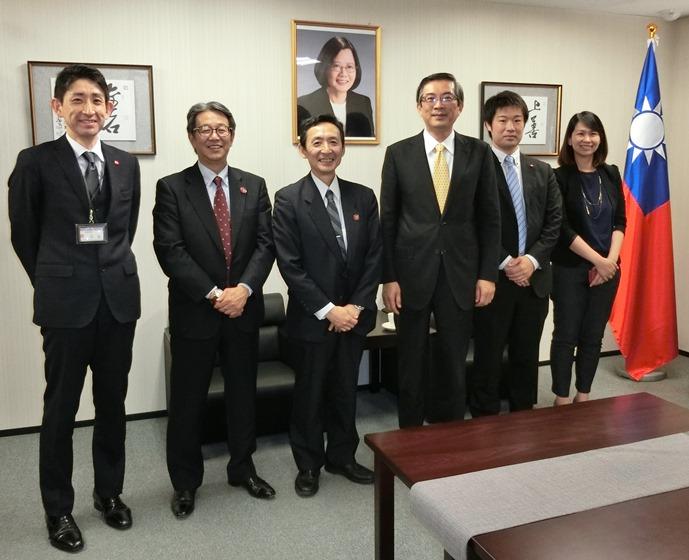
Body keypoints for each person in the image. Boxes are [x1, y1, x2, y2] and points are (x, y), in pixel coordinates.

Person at [8, 64, 141, 552]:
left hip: (118, 303)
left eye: (97, 100)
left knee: (112, 405)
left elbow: (124, 229)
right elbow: (24, 235)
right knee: (60, 408)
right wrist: (56, 279)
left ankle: (109, 494)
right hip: (65, 305)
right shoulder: (36, 161)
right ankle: (58, 509)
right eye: (78, 99)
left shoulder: (125, 163)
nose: (89, 109)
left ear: (109, 108)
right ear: (57, 107)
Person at [152, 102, 276, 518]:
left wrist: (243, 290)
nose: (214, 136)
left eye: (221, 128)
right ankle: (185, 483)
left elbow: (265, 245)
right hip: (195, 312)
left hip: (243, 310)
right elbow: (170, 250)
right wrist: (213, 294)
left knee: (243, 395)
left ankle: (243, 468)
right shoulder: (172, 188)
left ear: (232, 135)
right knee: (187, 401)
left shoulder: (253, 186)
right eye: (204, 129)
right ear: (191, 137)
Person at [380, 72, 501, 428]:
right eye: (430, 98)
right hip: (410, 276)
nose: (438, 104)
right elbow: (388, 220)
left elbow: (490, 218)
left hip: (460, 275)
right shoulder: (398, 154)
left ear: (459, 107)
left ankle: (450, 438)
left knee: (453, 361)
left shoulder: (479, 153)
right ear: (419, 107)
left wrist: (487, 275)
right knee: (410, 362)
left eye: (447, 97)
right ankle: (410, 437)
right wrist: (389, 278)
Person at [273, 114, 382, 497]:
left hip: (354, 317)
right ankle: (308, 464)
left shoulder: (363, 197)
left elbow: (374, 257)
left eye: (333, 141)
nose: (326, 149)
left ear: (343, 147)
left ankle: (342, 456)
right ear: (303, 149)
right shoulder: (288, 199)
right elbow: (290, 265)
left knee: (345, 390)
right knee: (310, 394)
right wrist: (330, 310)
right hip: (312, 318)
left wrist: (355, 307)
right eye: (317, 142)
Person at [470, 91, 562, 416]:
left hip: (534, 281)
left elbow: (554, 222)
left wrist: (531, 261)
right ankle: (484, 420)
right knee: (488, 356)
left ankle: (524, 418)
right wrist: (508, 262)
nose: (511, 127)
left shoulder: (542, 170)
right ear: (488, 125)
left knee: (526, 355)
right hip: (493, 279)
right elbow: (470, 223)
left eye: (517, 120)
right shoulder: (474, 169)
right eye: (503, 120)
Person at [550, 112, 626, 405]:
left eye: (593, 133)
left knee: (593, 336)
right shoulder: (558, 177)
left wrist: (610, 262)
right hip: (570, 269)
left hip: (608, 270)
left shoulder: (611, 173)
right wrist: (599, 261)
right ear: (570, 139)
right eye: (580, 133)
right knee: (566, 335)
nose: (587, 139)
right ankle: (561, 399)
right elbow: (562, 228)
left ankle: (583, 396)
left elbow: (620, 222)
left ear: (600, 138)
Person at [297, 36, 374, 138]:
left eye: (349, 67)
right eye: (336, 66)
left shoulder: (363, 102)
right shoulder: (304, 104)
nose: (343, 73)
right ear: (324, 68)